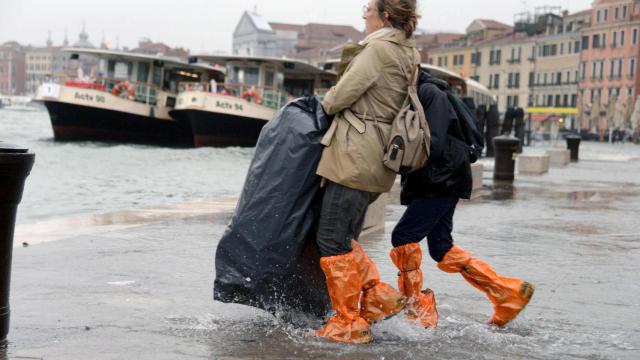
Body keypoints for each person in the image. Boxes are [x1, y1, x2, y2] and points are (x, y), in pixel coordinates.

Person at [389, 71, 535, 328]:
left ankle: (416, 309)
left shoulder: (429, 93)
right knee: (441, 247)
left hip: (440, 178)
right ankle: (507, 292)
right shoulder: (425, 92)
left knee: (403, 237)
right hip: (445, 176)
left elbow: (433, 141)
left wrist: (399, 166)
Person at [314, 0, 421, 344]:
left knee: (330, 238)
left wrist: (324, 102)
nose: (364, 14)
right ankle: (376, 298)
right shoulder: (408, 52)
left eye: (368, 8)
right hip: (378, 157)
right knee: (344, 237)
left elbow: (340, 96)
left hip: (355, 155)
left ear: (385, 14)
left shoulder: (378, 52)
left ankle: (348, 321)